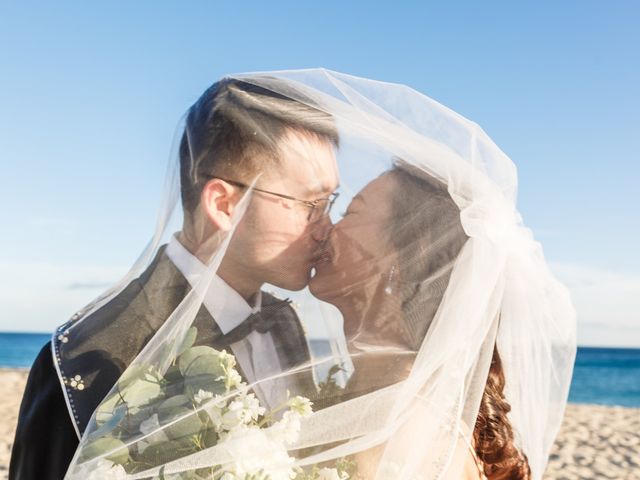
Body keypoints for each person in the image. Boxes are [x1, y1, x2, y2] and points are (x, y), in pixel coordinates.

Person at [9, 77, 340, 480]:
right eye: (312, 204)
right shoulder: (85, 359)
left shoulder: (286, 324)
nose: (327, 227)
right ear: (224, 204)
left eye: (331, 203)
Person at [309, 164, 531, 479]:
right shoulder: (387, 389)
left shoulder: (402, 422)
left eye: (350, 213)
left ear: (400, 255)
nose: (326, 227)